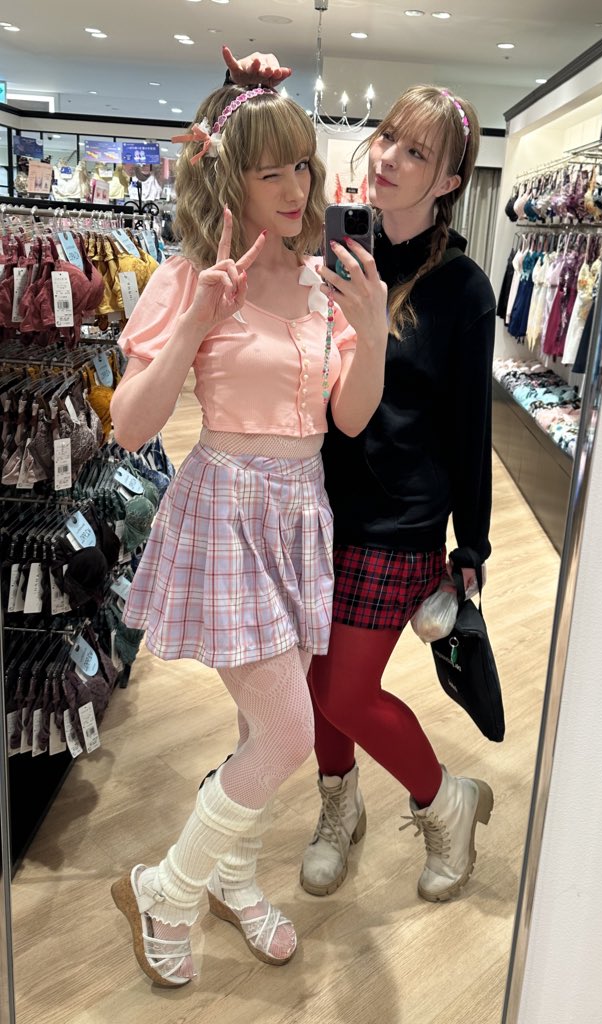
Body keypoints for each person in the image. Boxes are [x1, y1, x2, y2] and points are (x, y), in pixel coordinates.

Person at [109, 81, 388, 987]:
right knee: (287, 733)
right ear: (227, 179)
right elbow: (130, 428)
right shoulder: (189, 277)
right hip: (225, 511)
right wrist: (196, 318)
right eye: (270, 172)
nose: (295, 187)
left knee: (256, 724)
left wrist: (372, 332)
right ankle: (166, 888)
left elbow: (349, 419)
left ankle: (233, 876)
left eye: (301, 165)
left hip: (301, 511)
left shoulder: (320, 279)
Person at [224, 49, 496, 904]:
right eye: (386, 138)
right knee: (312, 687)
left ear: (448, 181)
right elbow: (234, 206)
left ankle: (444, 801)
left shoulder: (461, 288)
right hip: (312, 505)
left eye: (415, 152)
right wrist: (246, 99)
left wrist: (472, 543)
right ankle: (337, 807)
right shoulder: (330, 249)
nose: (388, 158)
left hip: (399, 519)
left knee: (347, 689)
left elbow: (470, 425)